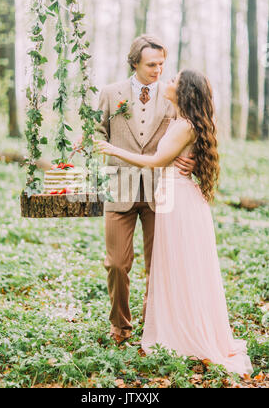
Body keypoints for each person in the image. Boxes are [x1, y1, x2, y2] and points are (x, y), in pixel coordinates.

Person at [96, 69, 253, 377]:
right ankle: (176, 327)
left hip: (178, 200)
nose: (166, 80)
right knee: (176, 268)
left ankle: (184, 335)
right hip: (173, 197)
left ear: (184, 92)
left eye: (173, 79)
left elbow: (155, 160)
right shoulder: (181, 119)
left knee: (181, 268)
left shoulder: (183, 125)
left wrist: (113, 150)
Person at [95, 35, 196, 344]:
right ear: (135, 63)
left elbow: (196, 130)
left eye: (162, 64)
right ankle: (120, 326)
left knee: (159, 266)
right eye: (152, 64)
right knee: (116, 264)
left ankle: (154, 326)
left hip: (161, 191)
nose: (158, 70)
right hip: (119, 188)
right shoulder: (111, 94)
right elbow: (97, 131)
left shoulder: (172, 97)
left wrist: (195, 162)